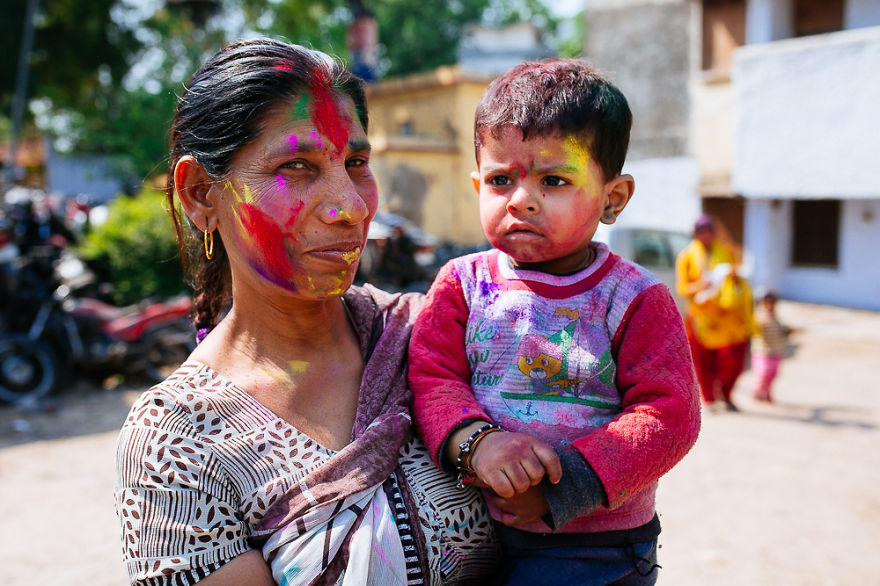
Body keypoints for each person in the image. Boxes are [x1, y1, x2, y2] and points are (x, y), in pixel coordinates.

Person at [114, 38, 499, 586]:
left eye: (356, 163)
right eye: (296, 166)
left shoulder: (436, 335)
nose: (351, 207)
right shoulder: (178, 439)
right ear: (200, 194)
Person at [408, 58, 701, 585]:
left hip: (594, 550)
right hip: (471, 527)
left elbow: (668, 414)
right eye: (501, 180)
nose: (521, 200)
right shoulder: (461, 283)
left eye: (554, 180)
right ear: (477, 185)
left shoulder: (634, 298)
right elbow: (433, 377)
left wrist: (562, 489)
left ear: (613, 198)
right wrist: (477, 444)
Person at [675, 214, 755, 412]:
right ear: (696, 234)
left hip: (727, 315)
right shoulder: (686, 256)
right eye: (702, 232)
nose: (707, 236)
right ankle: (710, 399)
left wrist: (733, 277)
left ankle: (726, 395)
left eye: (709, 231)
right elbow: (682, 289)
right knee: (703, 362)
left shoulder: (725, 251)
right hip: (702, 317)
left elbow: (734, 275)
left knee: (733, 360)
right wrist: (702, 285)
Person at [751, 290, 791, 402]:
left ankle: (767, 392)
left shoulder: (776, 317)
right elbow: (754, 329)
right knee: (763, 373)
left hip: (775, 350)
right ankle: (758, 392)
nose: (771, 305)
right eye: (768, 303)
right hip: (762, 351)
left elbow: (780, 333)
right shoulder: (759, 316)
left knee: (773, 374)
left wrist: (787, 331)